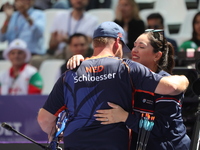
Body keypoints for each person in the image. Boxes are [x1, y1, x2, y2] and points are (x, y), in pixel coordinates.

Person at [37, 21, 189, 150]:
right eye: (133, 46)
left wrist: (126, 117)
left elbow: (164, 128)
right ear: (117, 43)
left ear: (157, 55)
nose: (134, 50)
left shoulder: (70, 74)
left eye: (141, 47)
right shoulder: (126, 69)